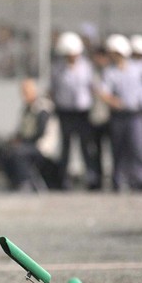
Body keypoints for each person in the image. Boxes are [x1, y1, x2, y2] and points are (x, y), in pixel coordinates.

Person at [97, 34, 142, 190]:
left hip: (136, 115)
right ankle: (119, 180)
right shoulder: (110, 72)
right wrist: (114, 102)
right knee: (118, 149)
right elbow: (103, 92)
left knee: (138, 147)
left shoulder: (138, 68)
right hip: (118, 116)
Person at [50, 31, 102, 190]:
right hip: (65, 112)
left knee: (86, 146)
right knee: (66, 147)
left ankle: (92, 179)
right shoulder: (57, 69)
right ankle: (63, 180)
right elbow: (53, 89)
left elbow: (94, 88)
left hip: (83, 113)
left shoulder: (86, 67)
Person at [0, 78, 60, 191]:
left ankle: (25, 182)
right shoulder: (26, 108)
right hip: (28, 144)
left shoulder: (42, 107)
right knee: (3, 150)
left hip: (42, 146)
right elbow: (21, 130)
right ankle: (14, 181)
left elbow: (39, 132)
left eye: (26, 92)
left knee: (19, 152)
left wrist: (23, 141)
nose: (23, 95)